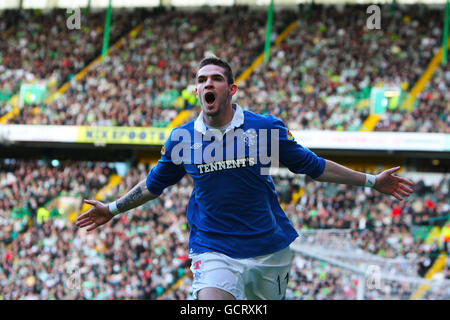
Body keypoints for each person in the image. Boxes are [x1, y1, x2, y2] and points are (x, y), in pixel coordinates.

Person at [76, 56, 415, 300]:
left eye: (216, 79)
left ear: (232, 88)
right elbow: (153, 185)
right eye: (201, 79)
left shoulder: (264, 129)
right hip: (214, 248)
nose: (207, 83)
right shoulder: (182, 139)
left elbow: (315, 167)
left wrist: (372, 181)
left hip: (269, 249)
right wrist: (113, 207)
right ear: (196, 91)